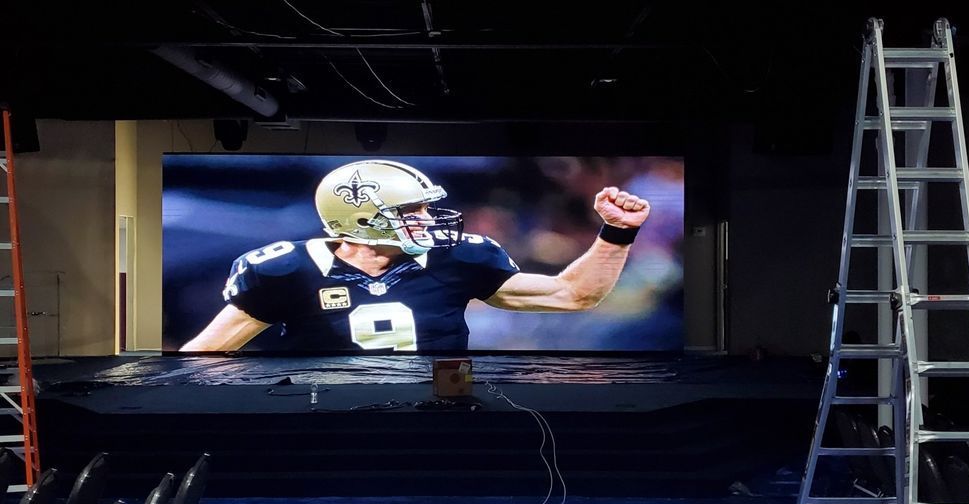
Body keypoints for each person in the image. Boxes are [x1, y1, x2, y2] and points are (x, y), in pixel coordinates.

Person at [180, 159, 650, 352]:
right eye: (412, 211)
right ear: (359, 219)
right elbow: (202, 357)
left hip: (437, 411)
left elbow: (573, 295)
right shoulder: (284, 270)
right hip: (324, 418)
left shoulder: (459, 258)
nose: (428, 219)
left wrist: (617, 232)